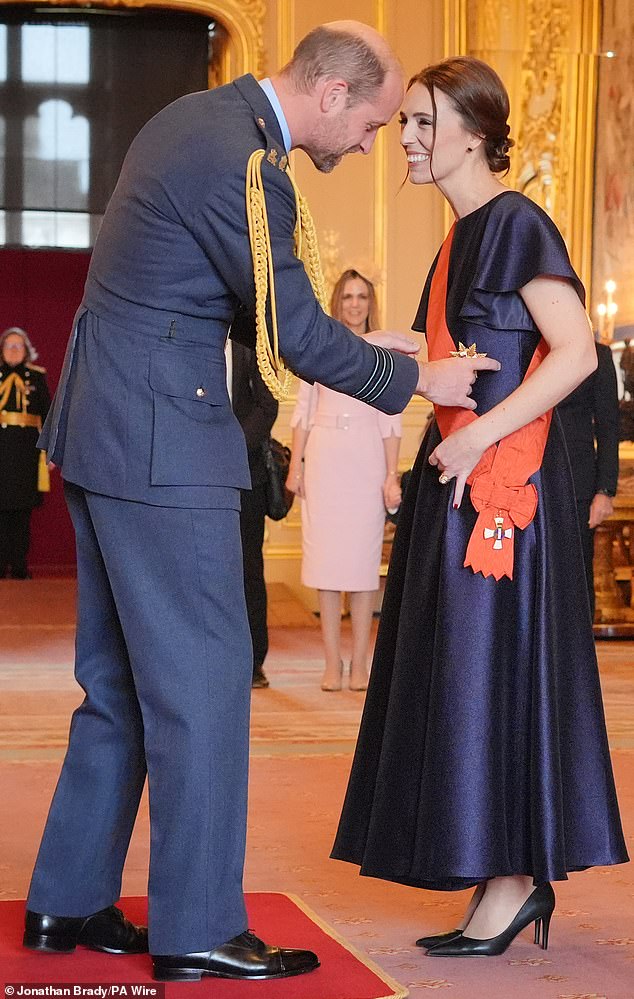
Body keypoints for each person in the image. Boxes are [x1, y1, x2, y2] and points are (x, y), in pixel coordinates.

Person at [24, 25, 499, 983]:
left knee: (116, 682)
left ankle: (65, 902)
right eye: (368, 122)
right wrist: (421, 382)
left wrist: (392, 348)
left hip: (107, 426)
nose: (368, 143)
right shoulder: (249, 161)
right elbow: (291, 331)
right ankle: (198, 927)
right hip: (166, 443)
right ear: (330, 92)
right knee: (204, 686)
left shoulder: (194, 120)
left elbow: (256, 306)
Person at [332, 56, 628, 959]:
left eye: (423, 122)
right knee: (466, 675)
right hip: (455, 478)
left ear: (472, 129)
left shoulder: (517, 224)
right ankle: (496, 873)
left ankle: (512, 879)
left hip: (502, 493)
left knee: (491, 671)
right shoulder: (460, 237)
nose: (408, 140)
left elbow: (575, 353)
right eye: (408, 123)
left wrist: (470, 435)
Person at [288, 270, 402, 691]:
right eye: (348, 296)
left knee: (361, 567)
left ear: (370, 303)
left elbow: (391, 420)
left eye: (362, 296)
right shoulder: (320, 346)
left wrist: (392, 476)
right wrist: (294, 465)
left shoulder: (386, 349)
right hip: (325, 457)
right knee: (326, 566)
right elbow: (302, 411)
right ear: (338, 301)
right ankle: (331, 663)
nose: (355, 304)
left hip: (367, 459)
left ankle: (360, 664)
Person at [229, 338, 279, 688]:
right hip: (192, 477)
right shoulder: (189, 337)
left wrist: (229, 446)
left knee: (248, 568)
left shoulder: (253, 345)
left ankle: (252, 662)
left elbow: (267, 404)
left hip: (247, 475)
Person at [557, 339, 619, 618]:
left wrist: (605, 491)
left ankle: (579, 656)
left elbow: (608, 428)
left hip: (577, 483)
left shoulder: (598, 354)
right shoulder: (527, 347)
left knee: (576, 575)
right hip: (527, 479)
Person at [0, 327, 51, 579]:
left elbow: (48, 415)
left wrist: (50, 451)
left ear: (27, 350)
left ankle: (19, 566)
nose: (13, 350)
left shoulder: (36, 377)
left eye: (18, 346)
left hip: (25, 454)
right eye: (9, 345)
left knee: (21, 513)